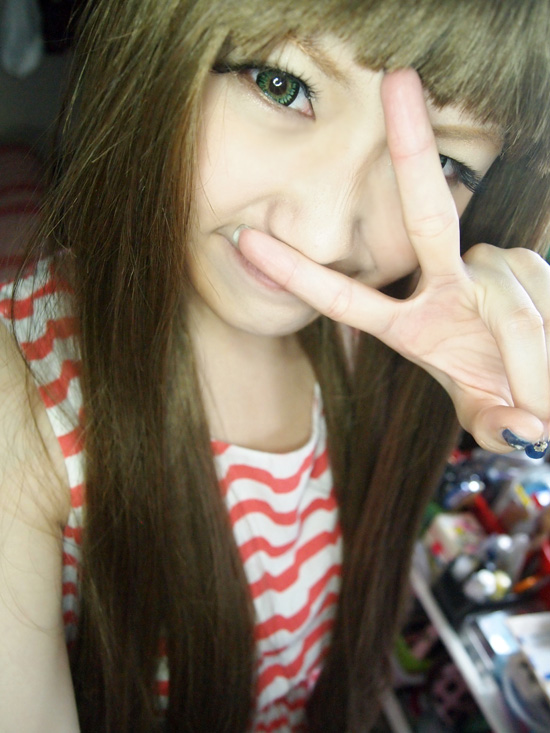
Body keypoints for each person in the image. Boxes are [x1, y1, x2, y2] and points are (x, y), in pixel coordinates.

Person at [0, 0, 549, 731]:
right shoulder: (22, 395)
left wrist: (523, 393)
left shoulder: (376, 343)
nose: (321, 239)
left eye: (443, 162)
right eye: (281, 85)